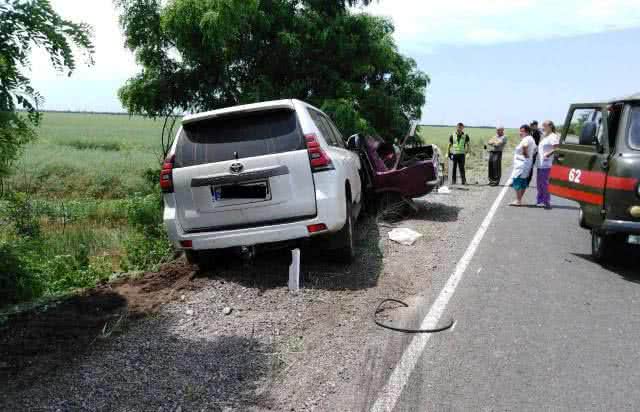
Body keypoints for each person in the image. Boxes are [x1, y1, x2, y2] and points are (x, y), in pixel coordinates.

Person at [508, 124, 537, 206]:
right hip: (526, 163)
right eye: (520, 131)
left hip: (521, 163)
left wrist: (525, 153)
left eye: (522, 131)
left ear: (527, 132)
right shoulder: (531, 138)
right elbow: (535, 149)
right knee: (523, 181)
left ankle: (518, 200)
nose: (520, 133)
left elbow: (525, 146)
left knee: (516, 180)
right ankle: (519, 199)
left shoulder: (526, 139)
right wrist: (529, 156)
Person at [536, 120, 560, 209]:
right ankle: (540, 200)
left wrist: (548, 154)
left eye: (544, 126)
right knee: (539, 183)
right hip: (540, 163)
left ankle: (546, 201)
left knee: (545, 183)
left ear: (550, 126)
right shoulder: (545, 136)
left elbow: (557, 148)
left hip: (547, 163)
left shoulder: (553, 136)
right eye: (543, 125)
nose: (543, 127)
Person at [526, 120, 542, 186]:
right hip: (530, 151)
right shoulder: (532, 132)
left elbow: (535, 143)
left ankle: (527, 182)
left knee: (530, 166)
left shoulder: (537, 132)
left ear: (535, 125)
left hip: (533, 151)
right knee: (527, 166)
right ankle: (526, 180)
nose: (531, 126)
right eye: (531, 125)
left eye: (532, 125)